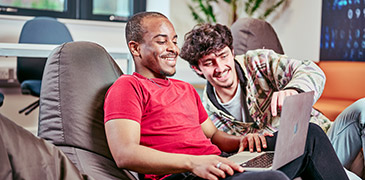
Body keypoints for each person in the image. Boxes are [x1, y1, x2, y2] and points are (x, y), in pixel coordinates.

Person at [103, 11, 349, 180]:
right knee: (273, 178)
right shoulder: (128, 87)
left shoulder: (185, 89)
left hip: (220, 163)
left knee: (310, 134)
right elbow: (125, 153)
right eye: (161, 41)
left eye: (174, 40)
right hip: (183, 174)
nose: (172, 48)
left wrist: (243, 142)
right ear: (135, 48)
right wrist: (193, 163)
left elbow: (214, 135)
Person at [180, 18, 365, 178]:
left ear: (232, 51)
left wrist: (293, 90)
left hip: (330, 140)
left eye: (223, 56)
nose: (220, 67)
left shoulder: (258, 62)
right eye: (209, 63)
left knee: (363, 107)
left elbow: (311, 70)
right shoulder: (208, 116)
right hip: (293, 163)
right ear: (197, 69)